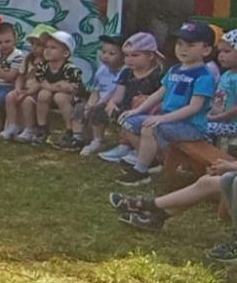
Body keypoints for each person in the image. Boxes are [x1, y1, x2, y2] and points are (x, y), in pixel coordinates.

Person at [115, 21, 217, 187]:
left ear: (206, 50)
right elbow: (159, 93)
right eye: (180, 44)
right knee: (127, 121)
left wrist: (162, 119)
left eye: (190, 45)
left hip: (190, 126)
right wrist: (137, 111)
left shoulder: (204, 76)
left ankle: (141, 172)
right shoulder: (174, 69)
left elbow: (194, 107)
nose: (183, 49)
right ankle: (151, 160)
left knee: (150, 128)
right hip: (169, 120)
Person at [98, 32, 166, 162]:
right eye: (126, 55)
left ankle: (141, 150)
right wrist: (112, 102)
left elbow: (161, 97)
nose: (129, 59)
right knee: (113, 110)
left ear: (150, 56)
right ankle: (124, 145)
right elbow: (119, 94)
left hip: (148, 111)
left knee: (136, 107)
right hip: (127, 106)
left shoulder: (159, 75)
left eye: (135, 55)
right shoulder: (126, 72)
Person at [18, 30, 85, 146]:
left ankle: (70, 130)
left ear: (65, 53)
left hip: (73, 99)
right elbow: (42, 82)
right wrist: (57, 85)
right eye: (46, 47)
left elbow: (73, 88)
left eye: (53, 48)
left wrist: (57, 87)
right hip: (53, 94)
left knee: (60, 97)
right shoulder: (43, 66)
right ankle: (42, 127)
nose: (47, 50)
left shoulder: (70, 68)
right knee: (43, 93)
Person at [0, 24, 52, 141]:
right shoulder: (28, 59)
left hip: (36, 92)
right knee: (10, 96)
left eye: (38, 45)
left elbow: (42, 82)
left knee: (27, 101)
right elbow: (21, 75)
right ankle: (12, 125)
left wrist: (27, 93)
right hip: (25, 89)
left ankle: (29, 129)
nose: (34, 48)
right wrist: (18, 88)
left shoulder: (48, 63)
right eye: (32, 44)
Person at [77, 35, 125, 155]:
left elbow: (115, 92)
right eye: (103, 52)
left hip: (115, 102)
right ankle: (78, 136)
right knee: (81, 107)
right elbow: (96, 91)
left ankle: (99, 140)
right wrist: (89, 104)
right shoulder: (102, 70)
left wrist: (98, 104)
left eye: (111, 53)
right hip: (101, 100)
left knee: (98, 110)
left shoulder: (125, 72)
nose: (106, 56)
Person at [203, 28, 237, 147]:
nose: (221, 55)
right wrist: (211, 113)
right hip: (219, 118)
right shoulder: (226, 74)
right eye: (220, 51)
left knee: (202, 129)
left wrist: (219, 117)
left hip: (233, 124)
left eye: (227, 51)